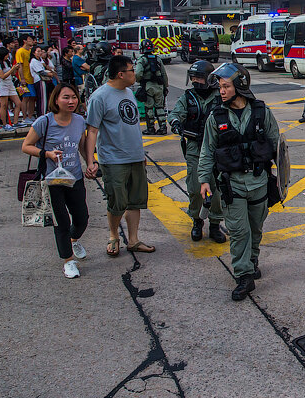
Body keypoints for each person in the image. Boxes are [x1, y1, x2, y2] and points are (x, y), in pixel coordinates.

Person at [197, 63, 280, 301]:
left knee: (255, 229)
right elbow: (207, 151)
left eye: (225, 86)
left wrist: (281, 183)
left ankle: (252, 260)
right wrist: (204, 179)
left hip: (259, 184)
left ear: (240, 87)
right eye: (220, 87)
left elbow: (278, 148)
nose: (221, 91)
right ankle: (244, 276)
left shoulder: (262, 112)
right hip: (232, 186)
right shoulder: (216, 117)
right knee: (238, 231)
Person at [85, 55, 155, 257]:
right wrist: (91, 161)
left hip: (135, 157)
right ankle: (114, 236)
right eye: (132, 70)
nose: (135, 74)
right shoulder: (100, 97)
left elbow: (132, 126)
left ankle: (133, 240)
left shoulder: (128, 92)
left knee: (135, 201)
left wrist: (140, 153)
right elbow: (92, 131)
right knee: (117, 203)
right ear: (120, 74)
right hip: (114, 159)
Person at [22, 83, 93, 279]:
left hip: (74, 178)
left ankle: (73, 239)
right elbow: (26, 146)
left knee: (82, 218)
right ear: (55, 100)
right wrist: (46, 154)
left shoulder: (79, 121)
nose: (71, 101)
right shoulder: (44, 122)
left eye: (74, 97)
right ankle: (68, 261)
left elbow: (82, 145)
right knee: (61, 222)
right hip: (52, 181)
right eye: (66, 97)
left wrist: (90, 163)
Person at [168, 60, 227, 243]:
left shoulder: (220, 96)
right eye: (193, 78)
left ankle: (216, 224)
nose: (195, 82)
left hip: (217, 148)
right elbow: (176, 113)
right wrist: (176, 122)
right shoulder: (188, 97)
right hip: (195, 148)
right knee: (195, 188)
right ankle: (197, 220)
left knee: (217, 190)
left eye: (199, 78)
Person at [135, 39, 169, 135]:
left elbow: (138, 73)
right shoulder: (157, 59)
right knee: (160, 107)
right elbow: (164, 74)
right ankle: (163, 127)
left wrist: (139, 80)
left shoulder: (142, 60)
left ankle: (150, 128)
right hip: (159, 86)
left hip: (148, 86)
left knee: (149, 108)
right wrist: (165, 86)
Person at [0, 47, 22, 130]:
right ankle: (4, 124)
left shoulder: (7, 62)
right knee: (4, 105)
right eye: (6, 55)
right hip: (2, 85)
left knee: (18, 103)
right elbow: (2, 76)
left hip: (10, 84)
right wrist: (12, 69)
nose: (7, 56)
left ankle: (15, 122)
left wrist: (15, 69)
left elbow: (11, 74)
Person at [14, 34, 36, 125]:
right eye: (30, 39)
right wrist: (22, 78)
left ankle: (30, 115)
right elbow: (20, 66)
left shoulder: (30, 51)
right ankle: (24, 117)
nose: (32, 41)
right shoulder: (20, 51)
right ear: (24, 41)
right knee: (25, 98)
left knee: (32, 98)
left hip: (32, 78)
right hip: (24, 79)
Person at [29, 46, 55, 116]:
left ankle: (44, 113)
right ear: (34, 53)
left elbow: (45, 66)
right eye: (38, 51)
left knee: (45, 98)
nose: (40, 53)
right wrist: (49, 74)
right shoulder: (34, 61)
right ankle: (42, 114)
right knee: (42, 99)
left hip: (44, 80)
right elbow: (41, 72)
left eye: (41, 51)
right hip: (39, 80)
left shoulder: (40, 59)